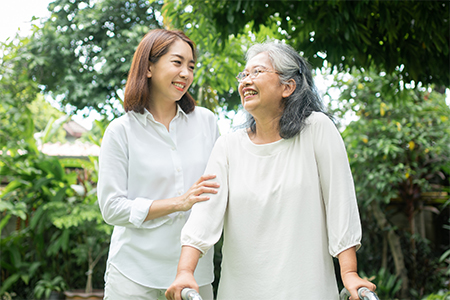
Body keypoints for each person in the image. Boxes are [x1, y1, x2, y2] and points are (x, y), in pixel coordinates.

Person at [166, 42, 376, 300]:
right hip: (241, 291)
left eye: (257, 72)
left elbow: (340, 204)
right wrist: (185, 270)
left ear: (287, 87)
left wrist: (350, 273)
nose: (245, 81)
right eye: (244, 75)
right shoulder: (228, 146)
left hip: (307, 290)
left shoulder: (316, 130)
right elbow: (204, 215)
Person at [97, 29, 220, 300]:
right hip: (133, 275)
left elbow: (221, 190)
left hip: (195, 276)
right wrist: (179, 202)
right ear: (149, 67)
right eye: (177, 63)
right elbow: (111, 208)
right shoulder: (121, 131)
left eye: (191, 66)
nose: (186, 73)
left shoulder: (207, 122)